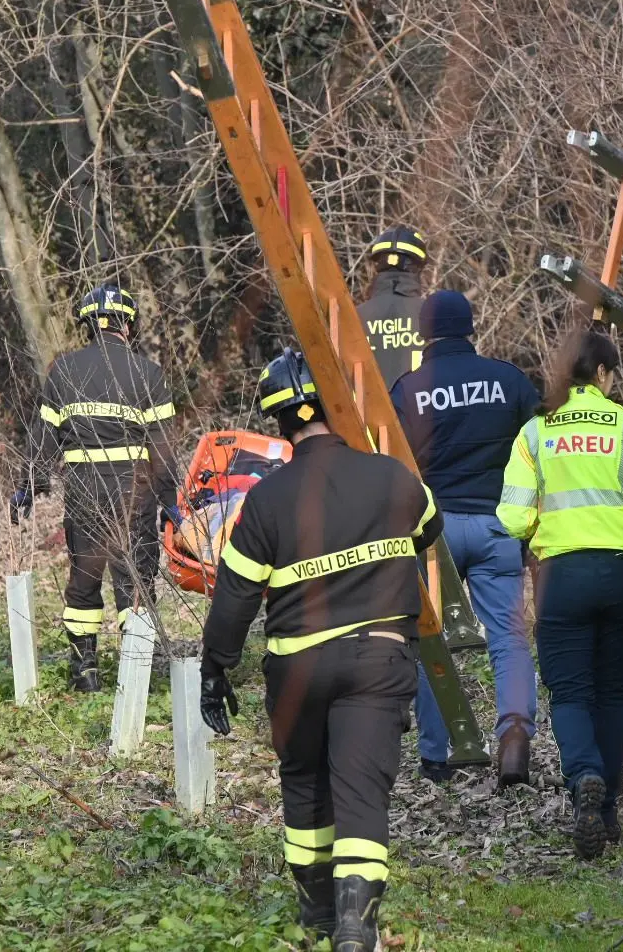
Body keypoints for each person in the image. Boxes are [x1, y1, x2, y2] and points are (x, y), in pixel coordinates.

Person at [199, 348, 442, 951]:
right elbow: (430, 530)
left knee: (305, 785)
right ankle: (357, 931)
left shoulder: (266, 502)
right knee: (362, 792)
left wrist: (215, 669)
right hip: (377, 662)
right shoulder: (391, 476)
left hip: (297, 669)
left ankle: (317, 919)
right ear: (341, 405)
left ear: (278, 423)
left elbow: (233, 599)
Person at [496, 328, 623, 859]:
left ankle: (584, 781)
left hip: (560, 579)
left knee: (569, 692)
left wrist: (538, 534)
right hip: (621, 577)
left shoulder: (534, 433)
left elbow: (512, 516)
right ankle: (610, 809)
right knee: (614, 691)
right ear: (601, 374)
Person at [391, 290, 542, 787]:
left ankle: (437, 757)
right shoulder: (510, 381)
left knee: (432, 640)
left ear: (423, 333)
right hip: (499, 525)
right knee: (509, 637)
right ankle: (515, 732)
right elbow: (537, 452)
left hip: (435, 534)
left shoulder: (408, 389)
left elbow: (391, 464)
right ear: (471, 327)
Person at [14, 282, 179, 692]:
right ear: (128, 324)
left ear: (88, 324)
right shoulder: (149, 373)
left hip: (85, 491)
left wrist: (28, 487)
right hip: (133, 492)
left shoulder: (64, 371)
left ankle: (85, 671)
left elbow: (43, 439)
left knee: (84, 579)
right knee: (135, 578)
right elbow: (163, 449)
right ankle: (136, 673)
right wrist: (169, 501)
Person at [356, 225, 429, 388]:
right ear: (418, 268)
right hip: (419, 410)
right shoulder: (432, 315)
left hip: (365, 412)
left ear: (377, 266)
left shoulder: (354, 318)